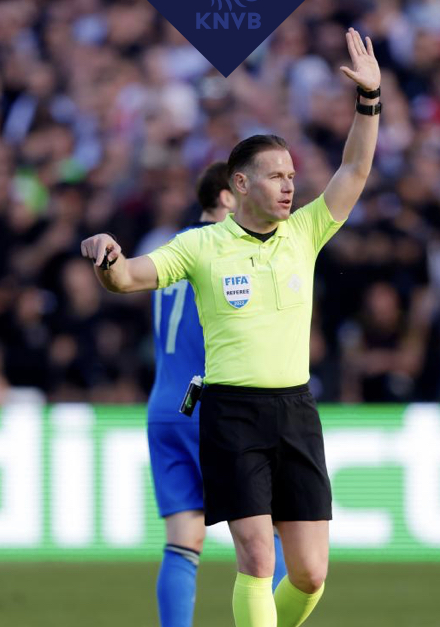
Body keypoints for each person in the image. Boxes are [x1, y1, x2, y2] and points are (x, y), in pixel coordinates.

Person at [81, 28, 381, 627]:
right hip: (232, 413)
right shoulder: (202, 246)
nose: (290, 185)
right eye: (275, 176)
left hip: (296, 410)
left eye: (292, 175)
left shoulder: (305, 232)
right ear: (240, 184)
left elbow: (353, 167)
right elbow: (130, 278)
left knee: (310, 574)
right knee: (257, 557)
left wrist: (369, 100)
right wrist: (108, 258)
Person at [147, 162, 286, 627]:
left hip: (164, 405)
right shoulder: (219, 249)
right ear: (227, 198)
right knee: (271, 534)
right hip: (210, 405)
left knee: (183, 540)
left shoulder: (171, 248)